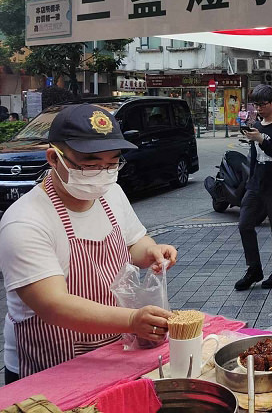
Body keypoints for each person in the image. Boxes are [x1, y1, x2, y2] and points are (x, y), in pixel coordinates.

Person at [0, 104, 178, 382]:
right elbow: (53, 305)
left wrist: (151, 251)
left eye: (111, 163)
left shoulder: (111, 194)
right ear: (54, 158)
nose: (102, 174)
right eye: (90, 164)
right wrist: (131, 320)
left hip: (114, 352)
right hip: (51, 366)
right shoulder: (25, 221)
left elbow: (133, 243)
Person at [235, 84, 272, 291]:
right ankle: (254, 269)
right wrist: (248, 181)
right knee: (244, 225)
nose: (258, 108)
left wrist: (262, 140)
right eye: (256, 105)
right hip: (255, 185)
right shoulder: (257, 124)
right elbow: (253, 158)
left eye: (262, 104)